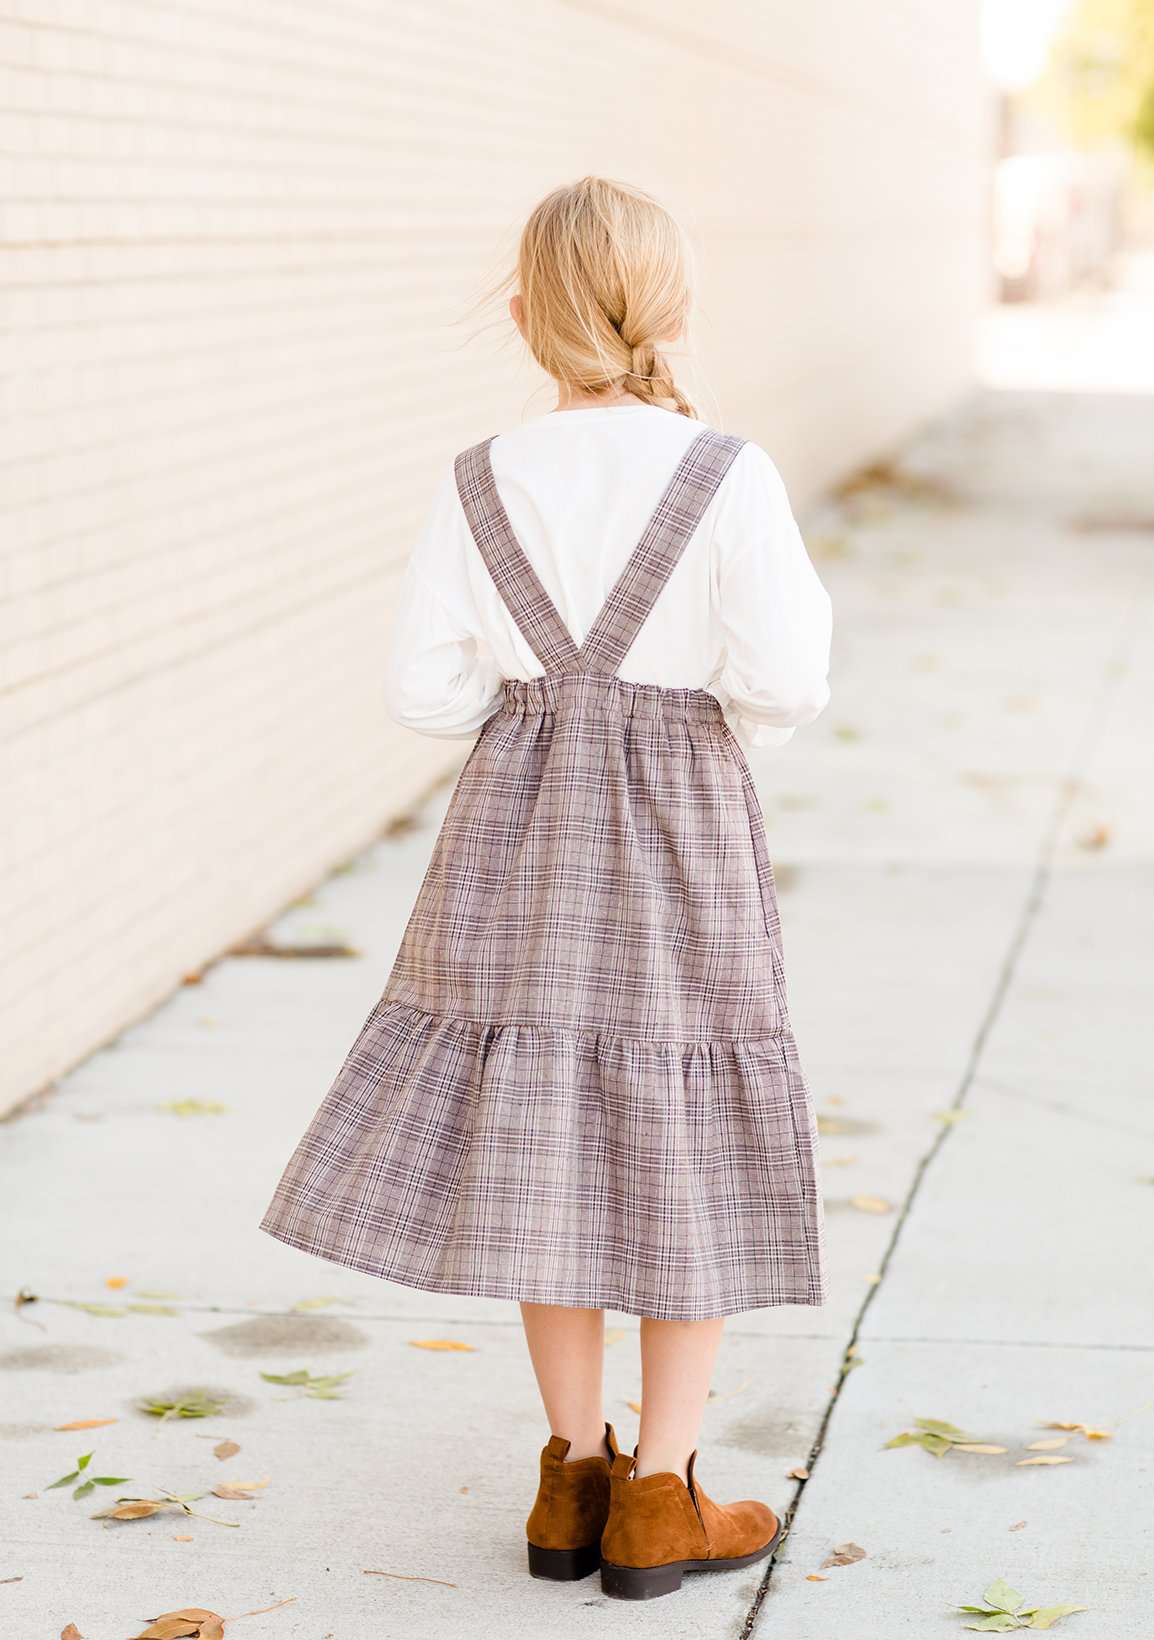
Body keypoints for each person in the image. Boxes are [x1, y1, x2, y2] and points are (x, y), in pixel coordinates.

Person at [260, 175, 832, 1602]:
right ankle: (663, 1495)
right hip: (680, 825)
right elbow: (785, 678)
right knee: (678, 1122)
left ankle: (570, 1473)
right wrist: (680, 727)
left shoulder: (482, 475)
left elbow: (421, 691)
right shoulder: (726, 471)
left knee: (547, 1122)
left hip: (516, 828)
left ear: (523, 313)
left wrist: (545, 702)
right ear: (675, 305)